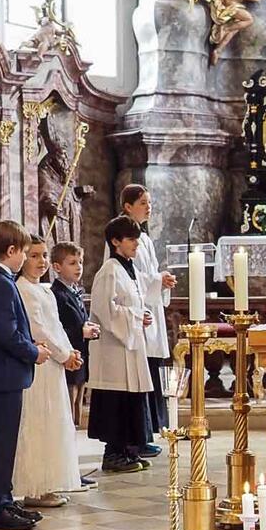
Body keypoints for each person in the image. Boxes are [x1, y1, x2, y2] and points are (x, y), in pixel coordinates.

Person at [0, 219, 51, 530]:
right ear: (11, 251)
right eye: (24, 251)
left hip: (5, 376)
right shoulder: (0, 283)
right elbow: (7, 335)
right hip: (2, 377)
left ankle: (4, 499)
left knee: (6, 443)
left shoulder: (0, 280)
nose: (25, 257)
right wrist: (35, 352)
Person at [14, 235, 83, 508]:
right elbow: (38, 330)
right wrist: (64, 355)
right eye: (34, 256)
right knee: (39, 423)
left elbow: (57, 327)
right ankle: (35, 486)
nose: (41, 261)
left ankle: (49, 484)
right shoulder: (23, 289)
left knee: (54, 422)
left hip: (54, 364)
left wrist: (70, 352)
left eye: (44, 255)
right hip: (40, 365)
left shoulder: (43, 289)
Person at [88, 215, 154, 473]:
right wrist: (136, 316)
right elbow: (105, 309)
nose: (136, 243)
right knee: (115, 401)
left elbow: (133, 302)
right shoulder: (109, 271)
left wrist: (142, 314)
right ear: (115, 241)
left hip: (131, 343)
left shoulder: (130, 269)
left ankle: (128, 450)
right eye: (131, 239)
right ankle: (112, 453)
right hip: (114, 349)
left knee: (130, 401)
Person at [120, 184, 176, 456]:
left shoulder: (145, 238)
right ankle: (137, 437)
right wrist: (157, 280)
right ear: (128, 206)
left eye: (149, 202)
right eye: (142, 202)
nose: (148, 206)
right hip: (137, 314)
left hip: (150, 311)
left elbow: (145, 274)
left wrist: (160, 281)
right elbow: (126, 275)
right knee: (142, 375)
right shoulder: (121, 235)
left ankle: (147, 433)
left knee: (150, 372)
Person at [50, 242, 99, 436]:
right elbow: (57, 329)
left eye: (80, 262)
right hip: (67, 358)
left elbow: (79, 321)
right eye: (72, 263)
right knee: (68, 407)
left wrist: (89, 328)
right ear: (57, 267)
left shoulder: (74, 291)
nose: (79, 267)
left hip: (80, 358)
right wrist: (81, 332)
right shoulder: (56, 294)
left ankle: (74, 432)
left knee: (78, 407)